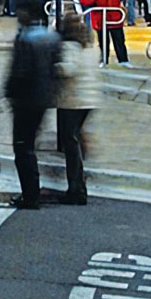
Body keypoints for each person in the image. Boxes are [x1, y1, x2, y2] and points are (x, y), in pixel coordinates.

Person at [5, 8, 61, 209]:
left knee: (22, 147)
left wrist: (10, 92)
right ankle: (32, 192)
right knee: (28, 144)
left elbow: (21, 71)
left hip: (26, 100)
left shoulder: (26, 39)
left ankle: (30, 194)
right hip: (43, 98)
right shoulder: (51, 37)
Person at [56, 13, 101, 205]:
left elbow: (68, 69)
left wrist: (52, 66)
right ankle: (78, 184)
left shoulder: (69, 46)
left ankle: (76, 188)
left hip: (72, 100)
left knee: (70, 142)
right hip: (89, 98)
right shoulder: (90, 46)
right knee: (74, 137)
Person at [78, 0, 129, 66]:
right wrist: (94, 0)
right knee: (103, 41)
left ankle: (123, 60)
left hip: (115, 16)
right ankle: (104, 60)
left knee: (119, 39)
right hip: (100, 18)